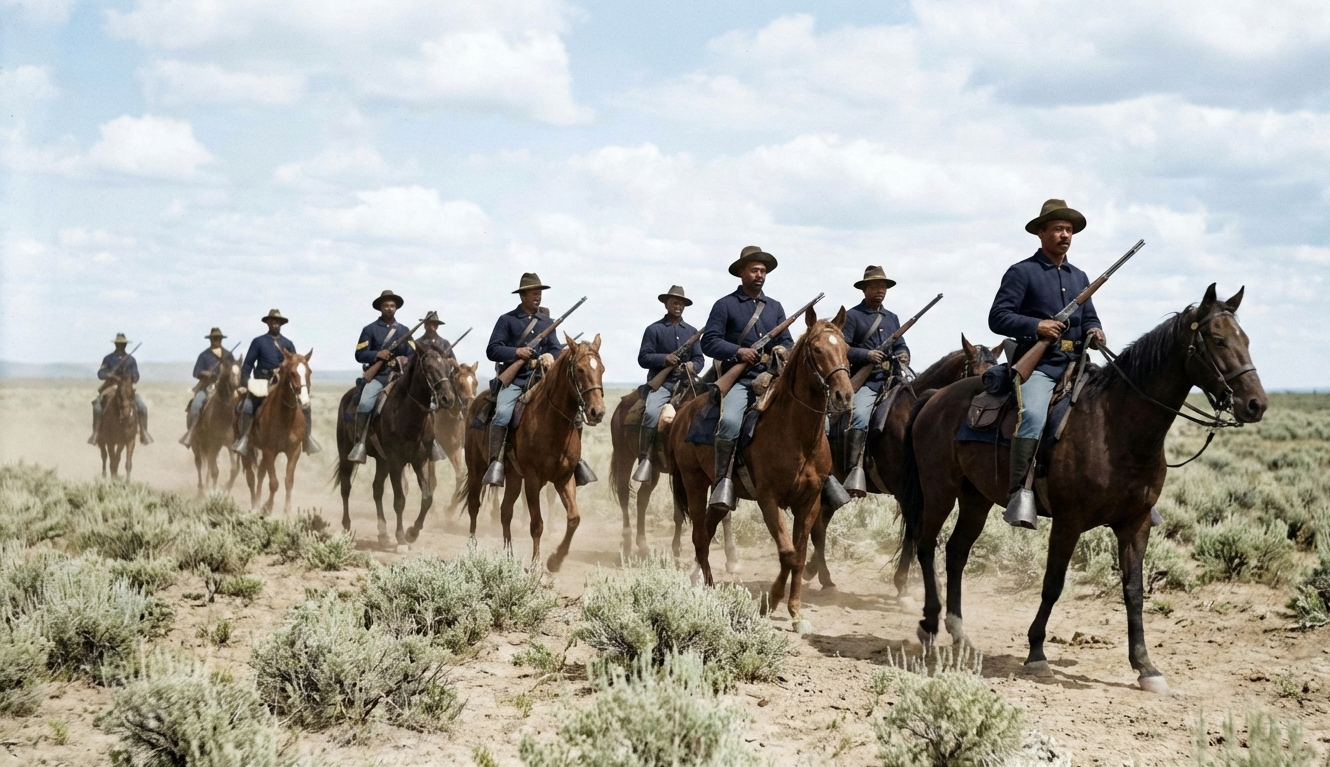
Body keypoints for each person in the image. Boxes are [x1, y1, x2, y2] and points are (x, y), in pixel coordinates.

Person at [989, 199, 1107, 528]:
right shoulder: (1021, 272)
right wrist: (1036, 326)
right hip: (1040, 366)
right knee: (1033, 417)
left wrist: (1095, 331)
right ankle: (1019, 494)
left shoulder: (1079, 275)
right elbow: (998, 317)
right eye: (1058, 229)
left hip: (1076, 364)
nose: (1065, 235)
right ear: (1041, 233)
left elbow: (1090, 317)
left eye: (1069, 230)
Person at [700, 246, 793, 510]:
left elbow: (787, 340)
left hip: (772, 379)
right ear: (741, 272)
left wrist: (782, 348)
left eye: (763, 271)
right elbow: (710, 342)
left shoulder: (775, 307)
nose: (759, 275)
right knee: (729, 422)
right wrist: (738, 351)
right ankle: (722, 483)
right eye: (754, 270)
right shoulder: (725, 305)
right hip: (740, 380)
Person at [482, 273, 564, 485]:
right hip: (516, 380)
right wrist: (517, 353)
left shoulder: (547, 322)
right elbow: (493, 350)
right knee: (501, 414)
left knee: (569, 411)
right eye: (533, 292)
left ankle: (574, 461)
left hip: (542, 381)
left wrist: (549, 357)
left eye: (539, 293)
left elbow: (555, 348)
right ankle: (496, 464)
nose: (538, 296)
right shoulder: (507, 320)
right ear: (522, 295)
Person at [840, 266, 909, 496]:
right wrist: (866, 356)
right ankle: (853, 471)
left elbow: (901, 344)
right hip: (867, 381)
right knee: (859, 415)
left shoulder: (893, 318)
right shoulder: (852, 316)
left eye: (882, 286)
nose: (879, 290)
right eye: (874, 286)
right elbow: (843, 348)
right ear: (864, 289)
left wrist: (903, 353)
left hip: (893, 379)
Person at [633, 285, 705, 482]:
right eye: (674, 302)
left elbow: (700, 359)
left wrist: (693, 365)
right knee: (651, 413)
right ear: (666, 304)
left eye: (681, 303)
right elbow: (643, 358)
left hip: (686, 384)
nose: (678, 306)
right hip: (662, 384)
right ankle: (646, 458)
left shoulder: (692, 332)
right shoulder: (653, 329)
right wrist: (665, 359)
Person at [233, 309, 320, 456]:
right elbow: (247, 365)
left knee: (306, 406)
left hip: (283, 382)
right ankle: (245, 439)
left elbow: (295, 364)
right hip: (262, 382)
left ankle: (306, 439)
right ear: (267, 322)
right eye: (273, 321)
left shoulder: (288, 343)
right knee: (248, 405)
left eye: (278, 322)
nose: (275, 324)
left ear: (281, 324)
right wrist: (244, 383)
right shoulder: (258, 342)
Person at [348, 290, 416, 463]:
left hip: (399, 377)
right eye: (386, 305)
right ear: (380, 307)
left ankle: (428, 443)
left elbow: (413, 354)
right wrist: (377, 354)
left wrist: (405, 358)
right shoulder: (369, 330)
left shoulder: (404, 331)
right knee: (365, 403)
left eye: (392, 305)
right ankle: (360, 443)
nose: (389, 308)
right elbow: (359, 354)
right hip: (378, 376)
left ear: (396, 308)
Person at [89, 333, 152, 445]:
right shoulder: (108, 358)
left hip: (126, 389)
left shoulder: (131, 360)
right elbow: (100, 373)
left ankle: (143, 432)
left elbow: (136, 376)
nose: (121, 346)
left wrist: (130, 377)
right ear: (115, 344)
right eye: (119, 344)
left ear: (125, 345)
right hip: (110, 388)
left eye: (123, 344)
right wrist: (109, 375)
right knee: (97, 407)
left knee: (142, 407)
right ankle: (96, 433)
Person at [179, 327, 232, 447]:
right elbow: (195, 372)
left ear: (221, 340)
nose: (216, 341)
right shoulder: (204, 355)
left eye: (218, 338)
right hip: (207, 387)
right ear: (210, 340)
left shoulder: (228, 355)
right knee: (196, 405)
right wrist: (204, 373)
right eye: (214, 339)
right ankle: (192, 432)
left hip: (225, 389)